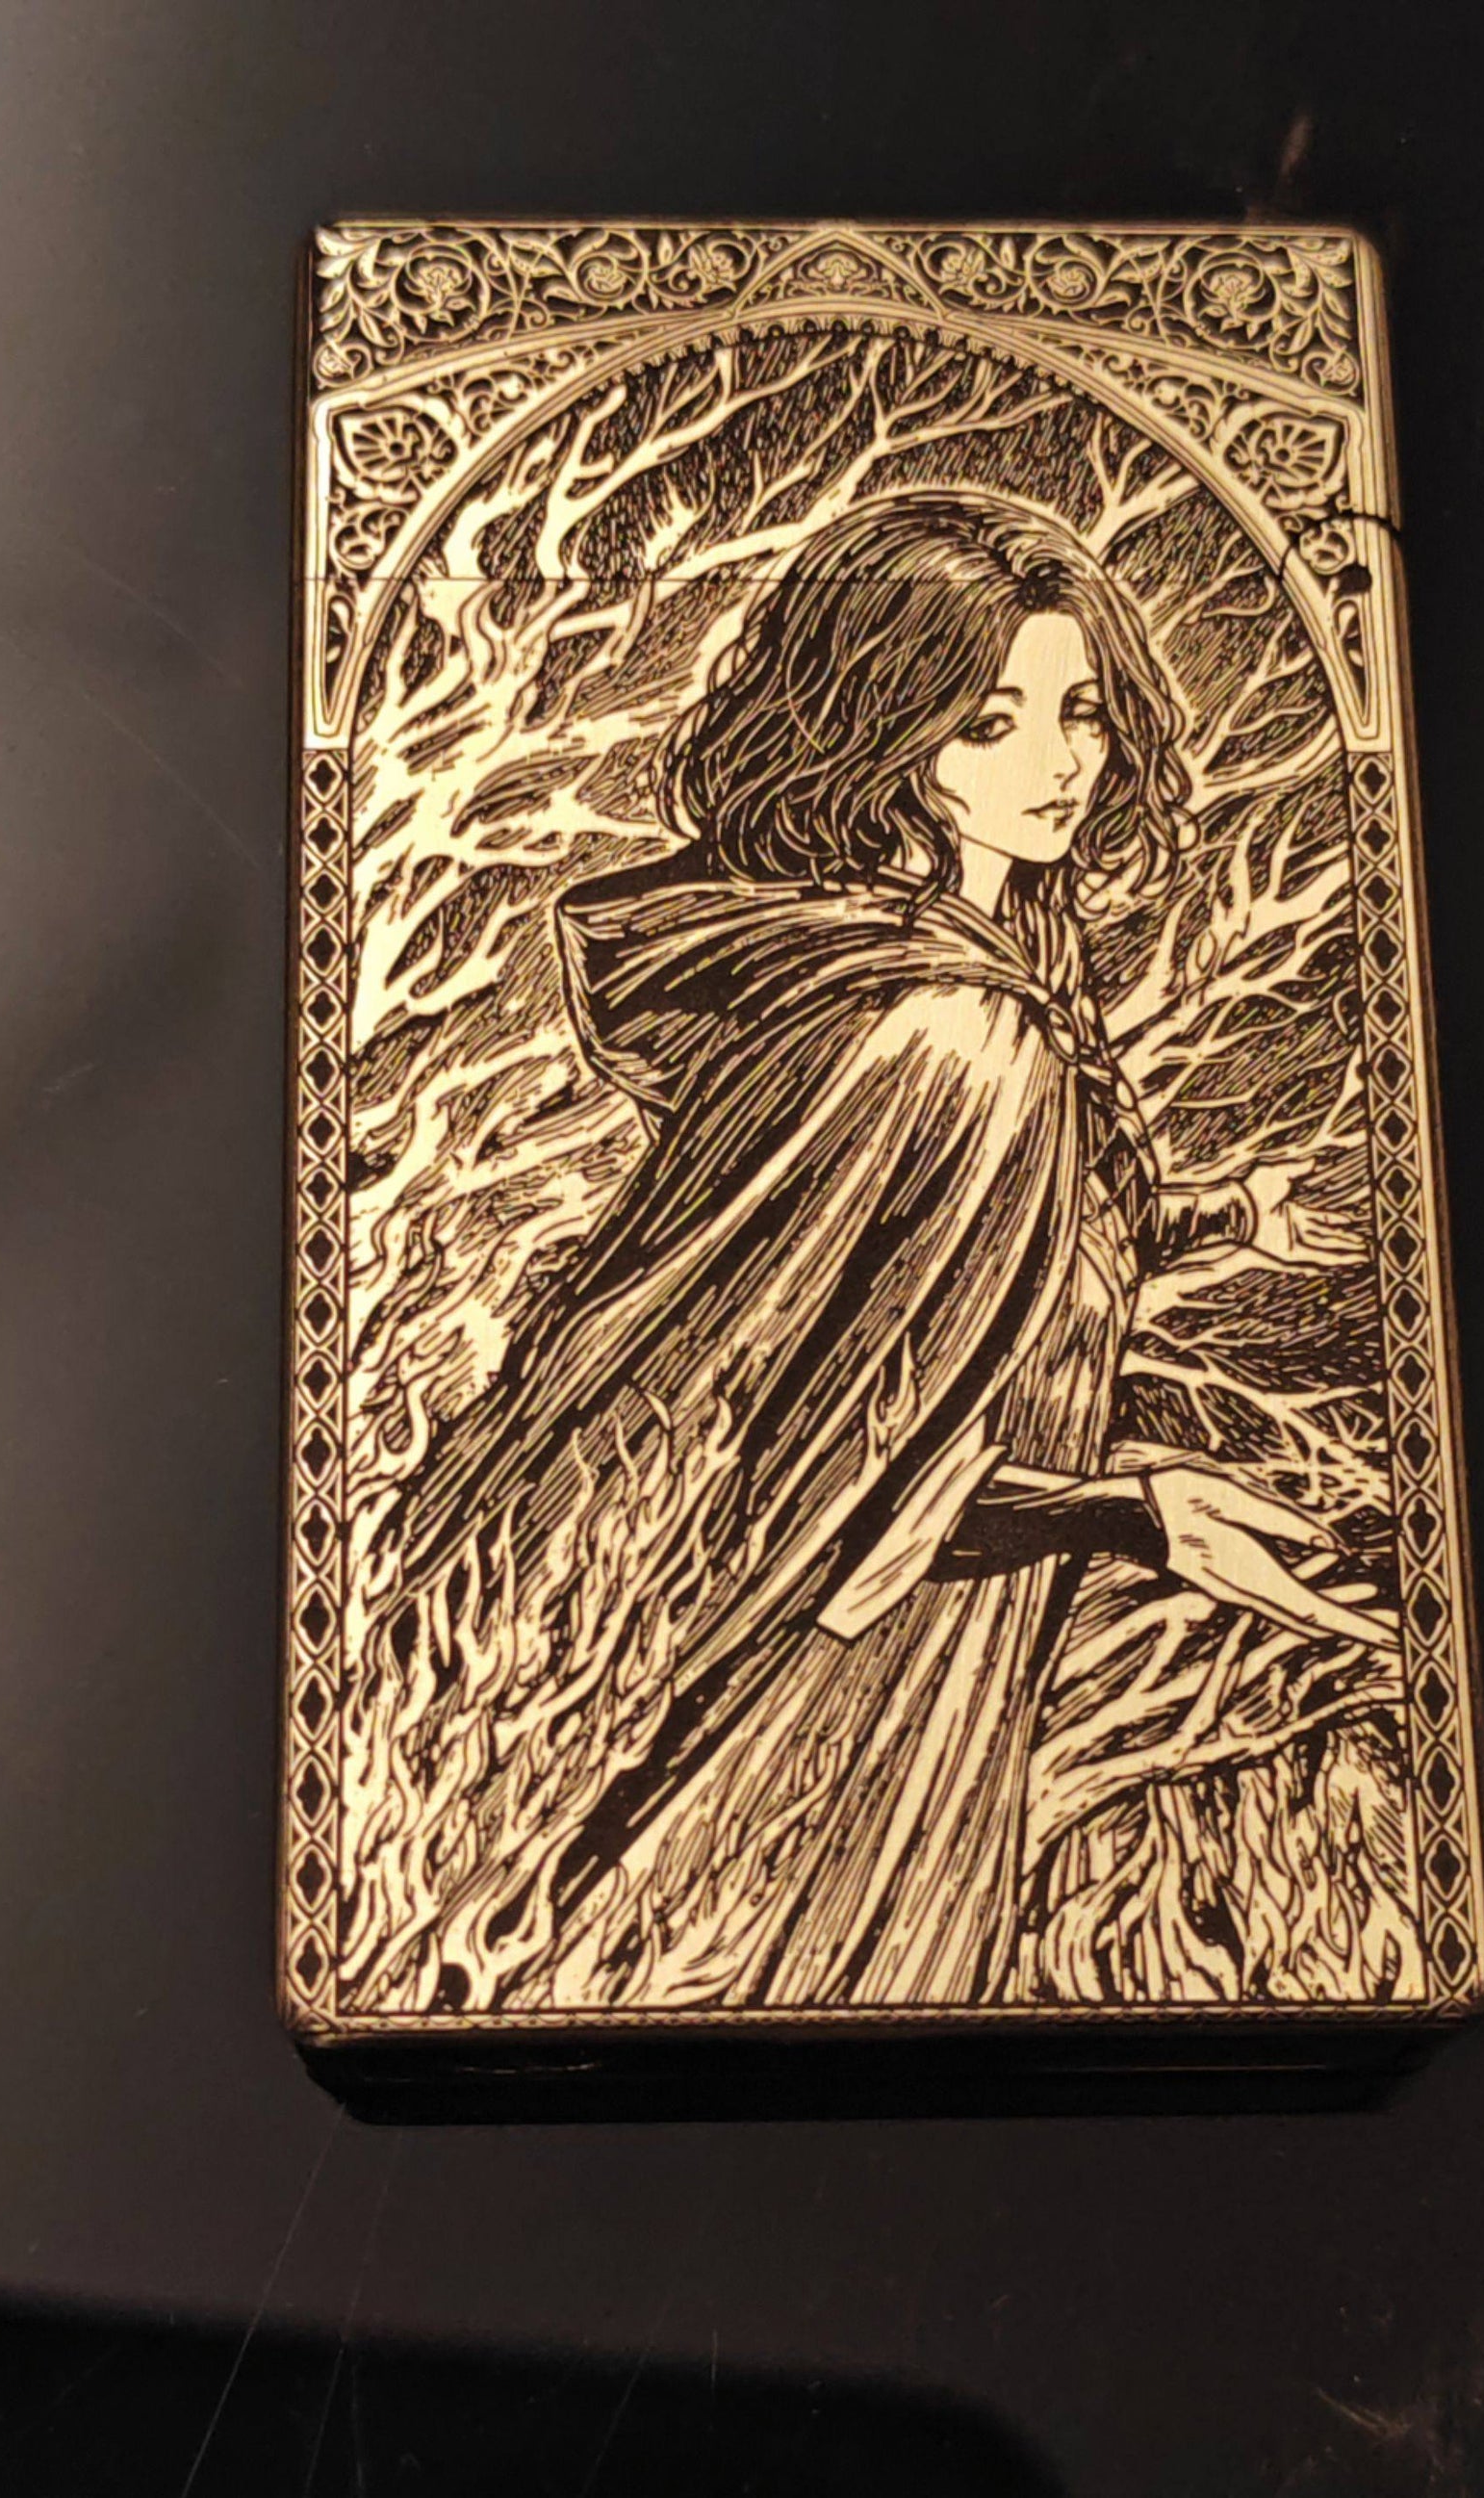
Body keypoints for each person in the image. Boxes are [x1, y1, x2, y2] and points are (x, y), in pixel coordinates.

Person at [353, 488, 1392, 2016]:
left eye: (1080, 712)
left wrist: (1231, 1216)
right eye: (988, 723)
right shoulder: (945, 1028)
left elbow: (990, 1270)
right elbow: (795, 1467)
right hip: (814, 1696)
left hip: (920, 1655)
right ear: (878, 734)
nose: (1061, 764)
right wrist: (1126, 1511)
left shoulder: (971, 970)